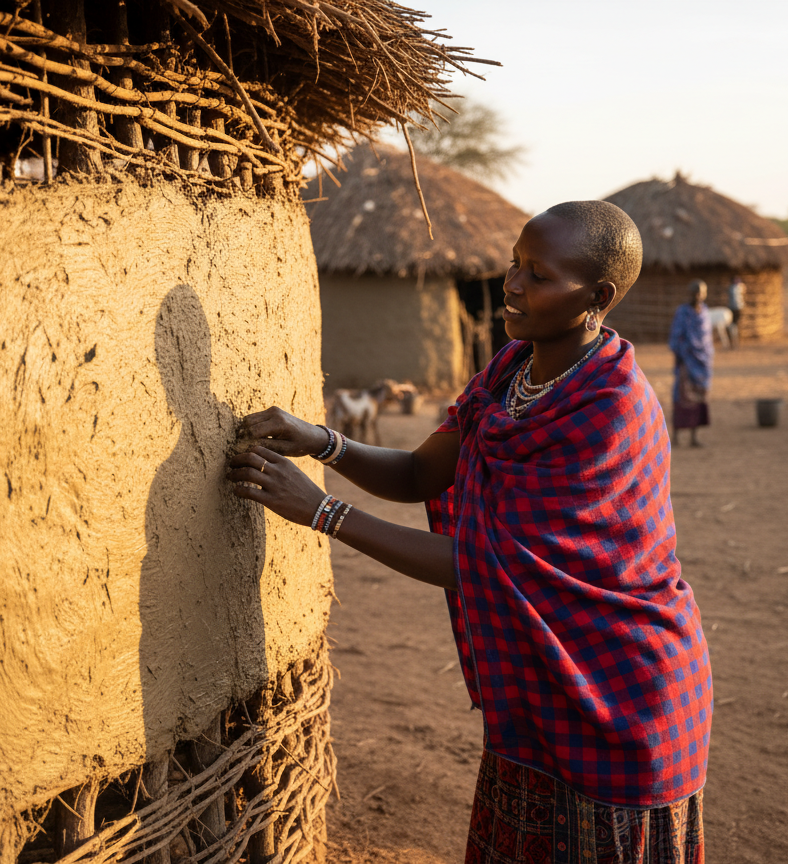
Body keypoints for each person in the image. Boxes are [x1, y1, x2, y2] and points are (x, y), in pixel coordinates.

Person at [228, 201, 710, 863]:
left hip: (617, 691)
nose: (511, 284)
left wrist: (322, 513)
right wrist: (323, 442)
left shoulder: (611, 410)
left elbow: (490, 563)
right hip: (539, 685)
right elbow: (424, 471)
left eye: (537, 275)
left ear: (597, 296)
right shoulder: (511, 371)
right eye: (514, 263)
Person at [668, 280, 714, 447]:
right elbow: (676, 337)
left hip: (702, 365)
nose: (698, 296)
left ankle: (694, 437)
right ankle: (676, 436)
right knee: (682, 398)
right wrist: (684, 354)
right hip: (686, 362)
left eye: (702, 292)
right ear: (690, 293)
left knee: (699, 398)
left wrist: (705, 357)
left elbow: (706, 339)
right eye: (696, 292)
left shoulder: (705, 312)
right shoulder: (683, 313)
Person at [725, 274, 746, 347]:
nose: (737, 281)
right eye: (736, 280)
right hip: (733, 308)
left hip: (739, 308)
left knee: (736, 325)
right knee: (732, 325)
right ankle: (732, 341)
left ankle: (737, 340)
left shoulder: (740, 287)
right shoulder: (732, 288)